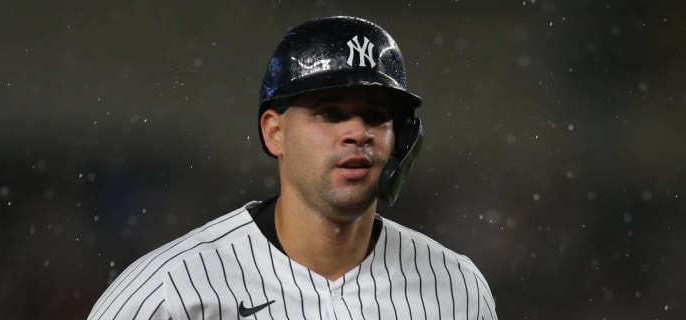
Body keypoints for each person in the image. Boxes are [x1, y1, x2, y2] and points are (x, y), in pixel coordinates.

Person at [88, 16, 497, 319]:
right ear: (274, 133)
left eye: (375, 116)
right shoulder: (170, 290)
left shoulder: (457, 288)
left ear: (402, 141)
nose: (358, 132)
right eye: (330, 113)